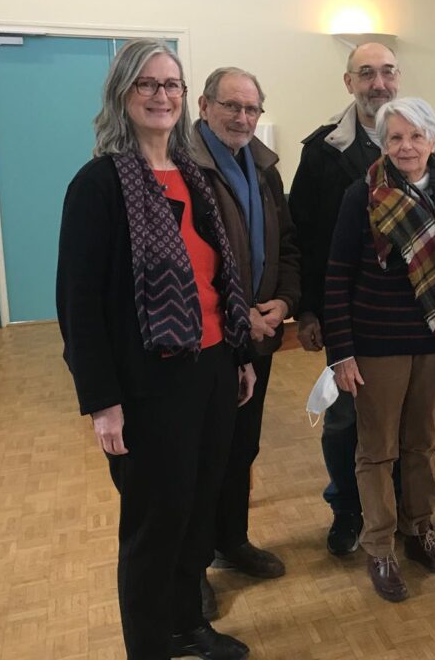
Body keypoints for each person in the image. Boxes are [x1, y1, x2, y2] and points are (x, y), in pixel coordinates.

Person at [56, 39, 254, 660]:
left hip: (214, 369)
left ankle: (186, 624)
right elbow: (78, 305)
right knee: (154, 524)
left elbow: (219, 277)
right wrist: (102, 403)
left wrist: (240, 356)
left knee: (198, 512)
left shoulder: (193, 176)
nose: (161, 96)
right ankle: (149, 646)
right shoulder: (98, 185)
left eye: (171, 84)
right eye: (147, 84)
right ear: (122, 93)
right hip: (149, 384)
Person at [324, 97, 435, 603]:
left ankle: (418, 530)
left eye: (416, 136)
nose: (406, 146)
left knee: (422, 445)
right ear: (383, 143)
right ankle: (380, 545)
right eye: (395, 138)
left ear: (433, 139)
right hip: (376, 346)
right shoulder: (361, 195)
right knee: (376, 451)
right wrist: (340, 351)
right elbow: (339, 272)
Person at [191, 67, 300, 608]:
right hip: (210, 340)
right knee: (200, 456)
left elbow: (286, 245)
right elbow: (193, 265)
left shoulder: (262, 168)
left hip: (259, 333)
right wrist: (241, 316)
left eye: (250, 109)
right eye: (230, 106)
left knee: (241, 447)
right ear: (205, 106)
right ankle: (189, 571)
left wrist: (283, 302)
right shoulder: (185, 167)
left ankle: (230, 541)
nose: (241, 117)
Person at [288, 42, 399, 557]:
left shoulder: (420, 140)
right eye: (367, 73)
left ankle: (393, 509)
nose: (379, 83)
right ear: (348, 82)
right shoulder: (321, 151)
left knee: (397, 417)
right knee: (344, 419)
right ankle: (347, 509)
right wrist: (307, 309)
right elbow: (302, 234)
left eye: (387, 73)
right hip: (345, 310)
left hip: (406, 316)